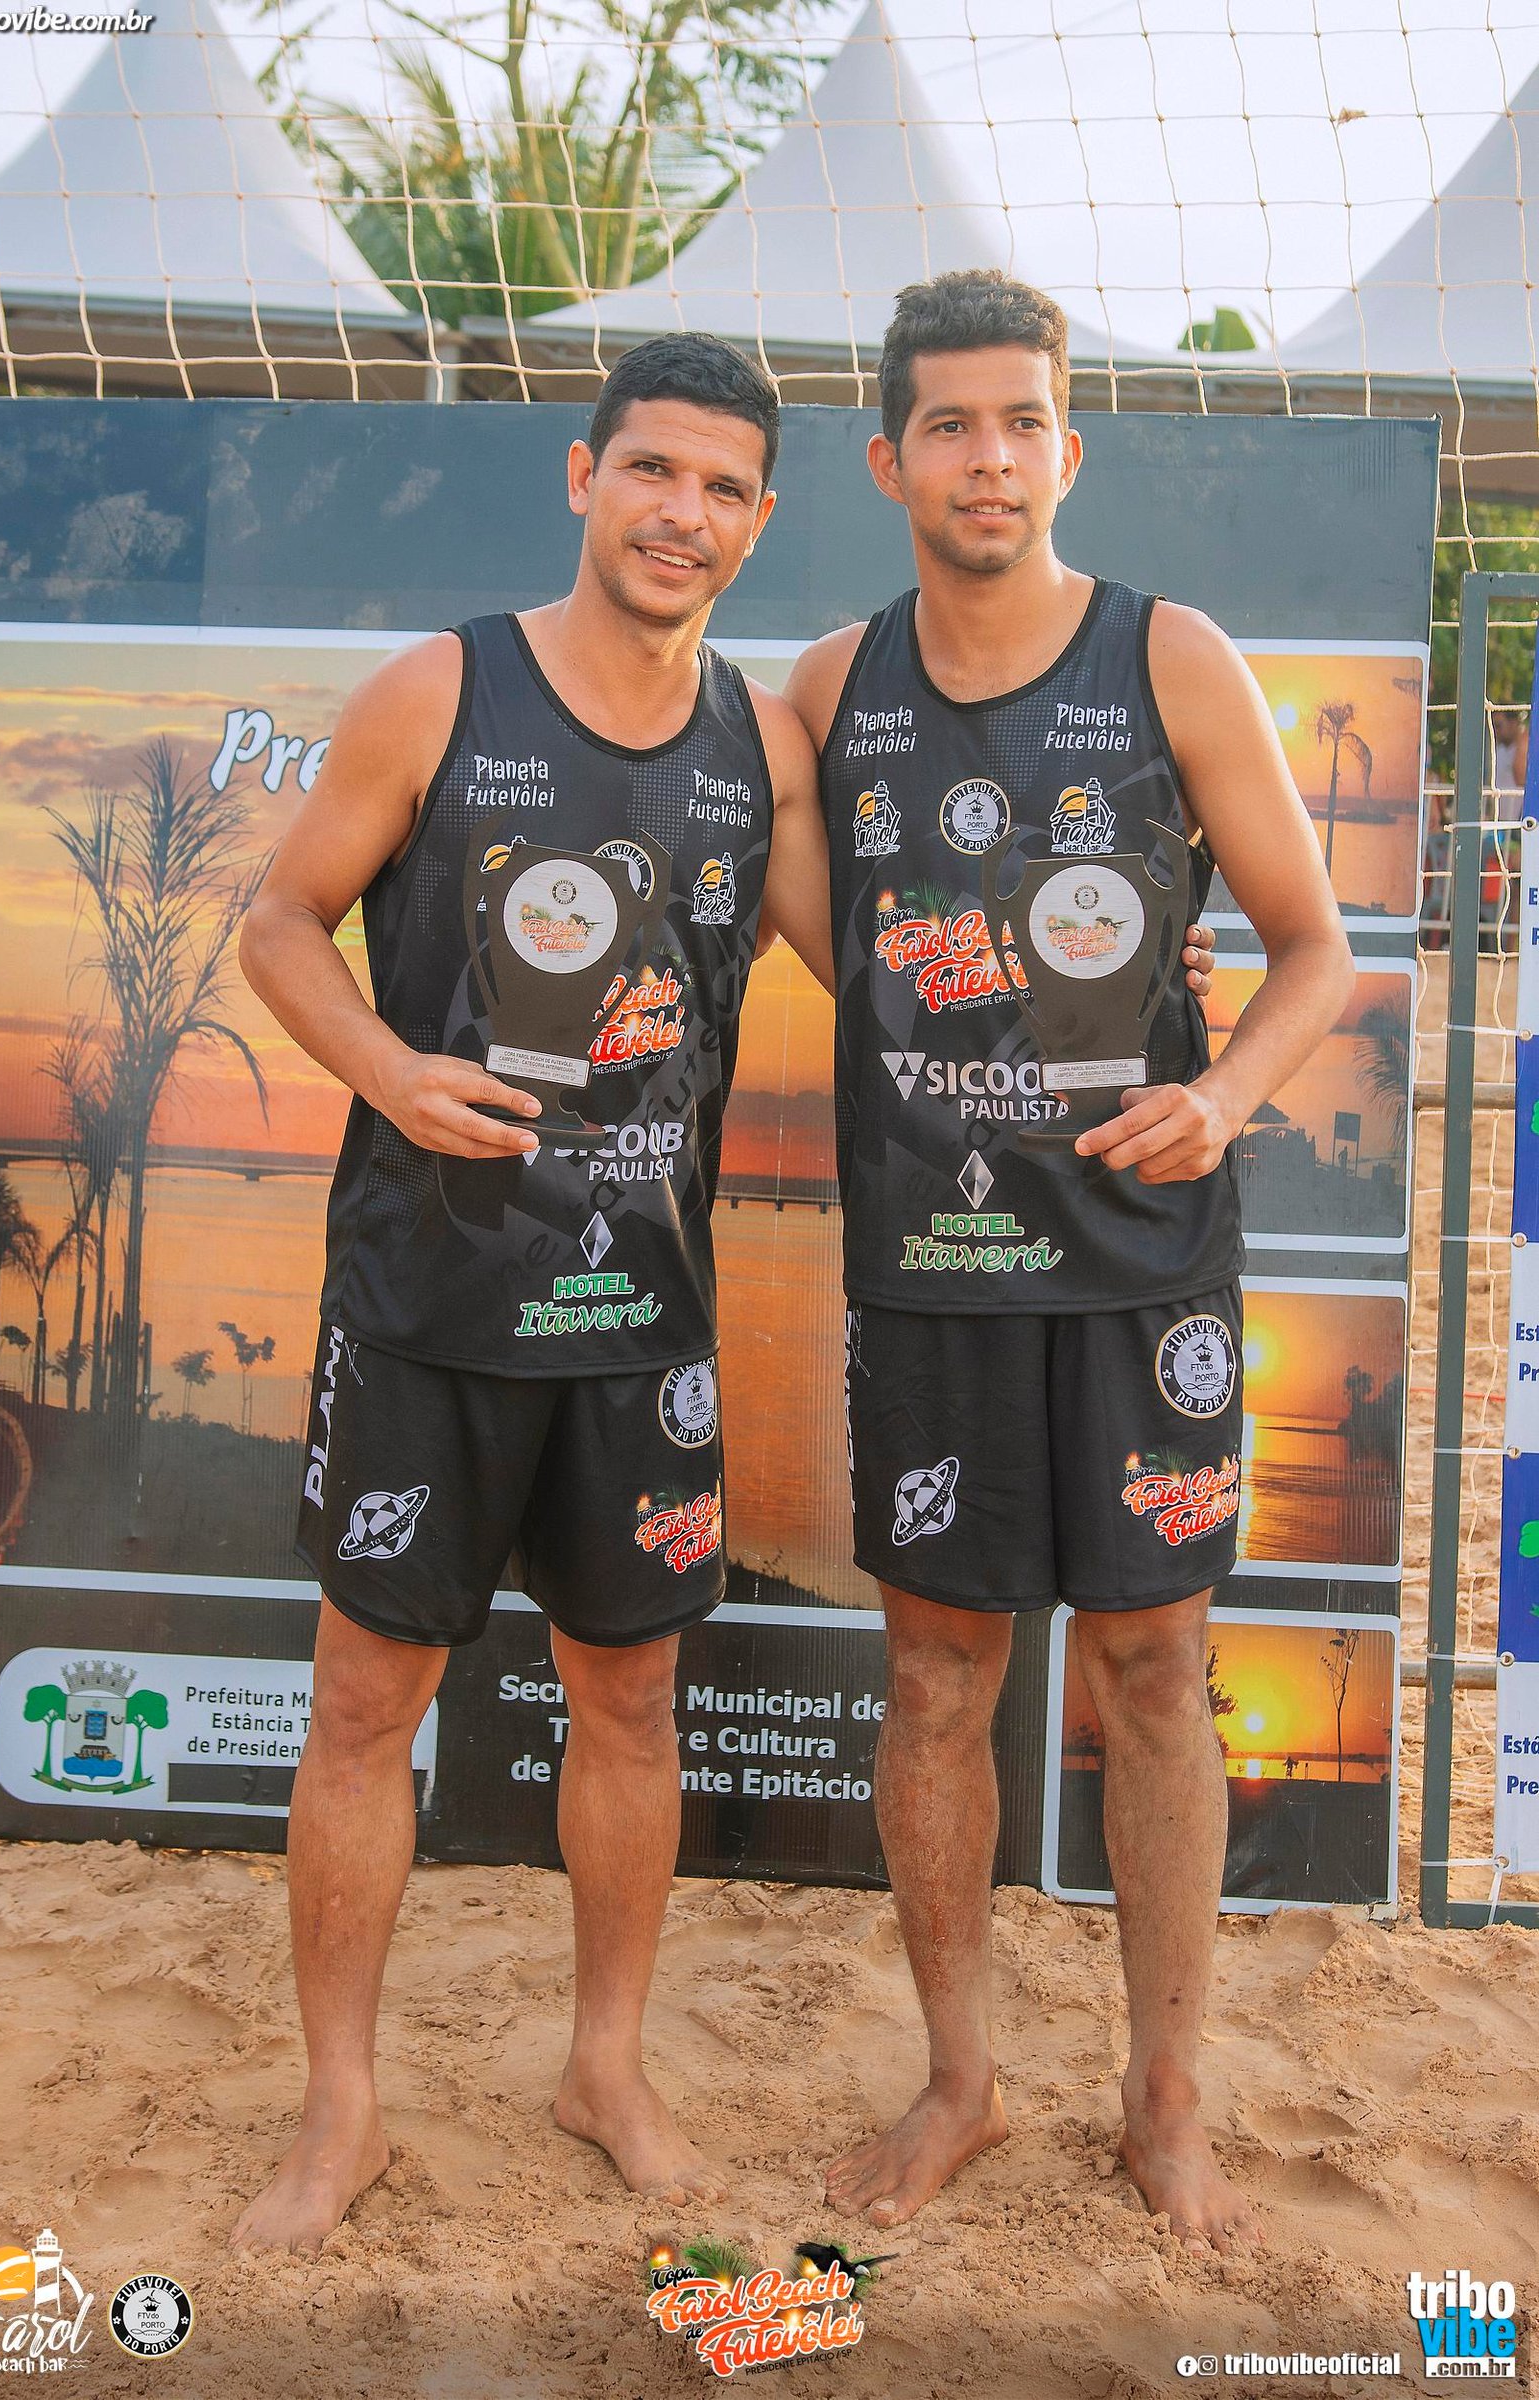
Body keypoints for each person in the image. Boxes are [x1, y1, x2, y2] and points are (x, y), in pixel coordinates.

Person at [231, 332, 833, 2252]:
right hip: (425, 1301)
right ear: (584, 478)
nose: (683, 514)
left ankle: (606, 2068)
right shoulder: (442, 688)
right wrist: (392, 1072)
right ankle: (342, 2112)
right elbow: (276, 923)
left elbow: (890, 969)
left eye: (724, 487)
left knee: (631, 1698)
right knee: (363, 1704)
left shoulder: (763, 746)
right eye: (652, 469)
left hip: (640, 1322)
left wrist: (1156, 1008)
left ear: (759, 520)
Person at [783, 270, 1355, 2254]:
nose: (989, 458)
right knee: (936, 1676)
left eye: (1021, 421)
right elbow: (835, 949)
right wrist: (954, 1023)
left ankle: (1163, 2102)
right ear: (887, 461)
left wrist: (1222, 1096)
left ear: (1067, 448)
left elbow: (1314, 950)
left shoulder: (1169, 656)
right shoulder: (823, 692)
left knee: (1156, 1671)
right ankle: (960, 2080)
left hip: (1140, 1267)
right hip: (933, 1265)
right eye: (949, 425)